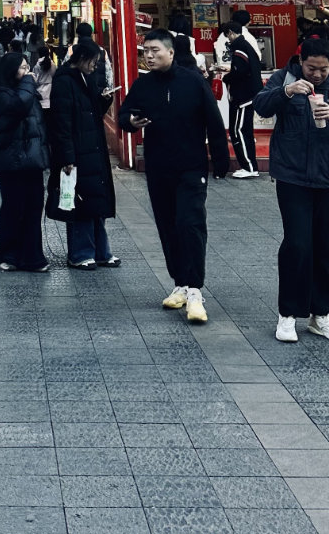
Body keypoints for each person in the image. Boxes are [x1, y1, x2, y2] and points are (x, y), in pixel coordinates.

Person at [255, 36, 329, 344]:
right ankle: (288, 314)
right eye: (312, 68)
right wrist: (286, 92)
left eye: (323, 69)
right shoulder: (283, 79)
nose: (317, 74)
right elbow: (259, 104)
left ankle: (321, 314)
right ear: (301, 62)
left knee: (326, 247)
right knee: (297, 244)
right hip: (292, 176)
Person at [119, 29, 230, 323]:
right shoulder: (143, 84)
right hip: (158, 168)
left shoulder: (193, 81)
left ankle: (195, 291)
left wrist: (221, 160)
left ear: (170, 52)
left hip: (191, 167)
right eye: (145, 51)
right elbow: (124, 114)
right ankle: (180, 283)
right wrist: (131, 121)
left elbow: (214, 120)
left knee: (190, 223)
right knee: (168, 226)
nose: (149, 56)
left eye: (155, 50)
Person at [46, 38, 118, 268]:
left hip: (93, 148)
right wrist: (66, 156)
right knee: (80, 203)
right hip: (76, 151)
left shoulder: (88, 79)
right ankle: (80, 253)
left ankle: (101, 251)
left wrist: (104, 100)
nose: (95, 66)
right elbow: (61, 122)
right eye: (93, 61)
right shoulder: (64, 82)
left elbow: (93, 113)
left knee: (96, 203)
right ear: (82, 59)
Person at [0, 50, 50, 272]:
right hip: (10, 161)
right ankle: (8, 254)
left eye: (27, 68)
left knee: (33, 207)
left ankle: (33, 256)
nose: (27, 72)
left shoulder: (27, 91)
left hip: (32, 160)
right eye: (22, 68)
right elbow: (18, 106)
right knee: (13, 207)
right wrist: (28, 83)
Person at [223, 23, 263, 177]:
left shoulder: (239, 47)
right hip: (249, 95)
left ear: (232, 33)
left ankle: (248, 167)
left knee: (238, 130)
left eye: (227, 35)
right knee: (244, 130)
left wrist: (227, 77)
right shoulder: (246, 45)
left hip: (243, 96)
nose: (228, 38)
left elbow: (240, 71)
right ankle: (250, 166)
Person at [30, 42, 55, 110]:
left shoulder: (38, 65)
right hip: (50, 89)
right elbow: (53, 75)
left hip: (40, 89)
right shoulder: (52, 64)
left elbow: (35, 78)